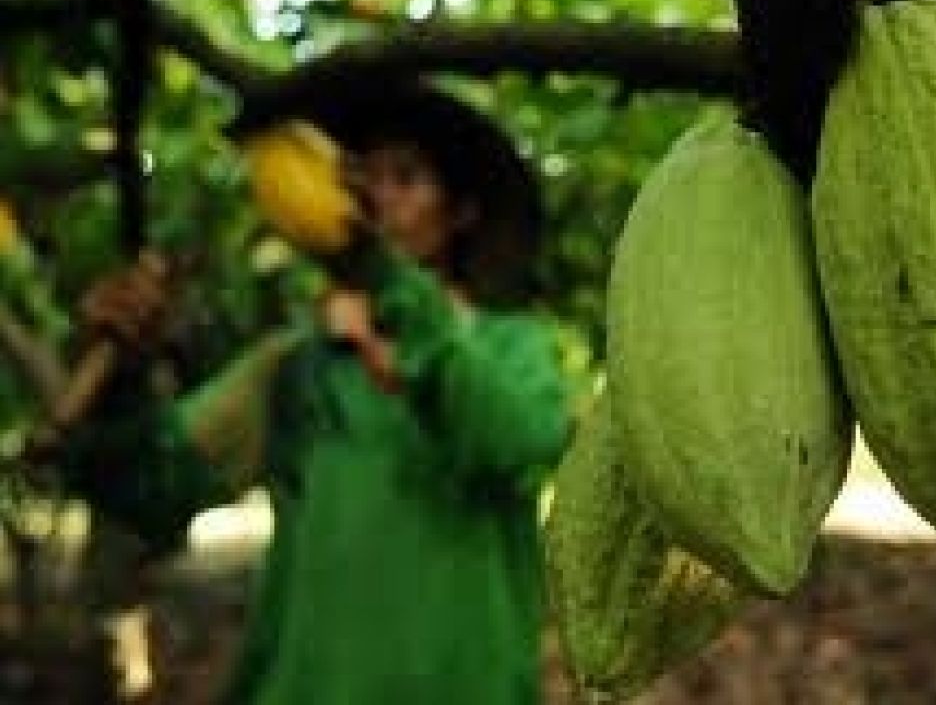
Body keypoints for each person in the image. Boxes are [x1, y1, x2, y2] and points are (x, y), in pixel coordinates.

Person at [63, 83, 571, 704]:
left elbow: (516, 444)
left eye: (405, 178)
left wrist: (390, 288)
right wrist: (123, 382)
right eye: (364, 178)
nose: (375, 200)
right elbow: (150, 491)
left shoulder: (510, 344)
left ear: (461, 211)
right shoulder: (299, 364)